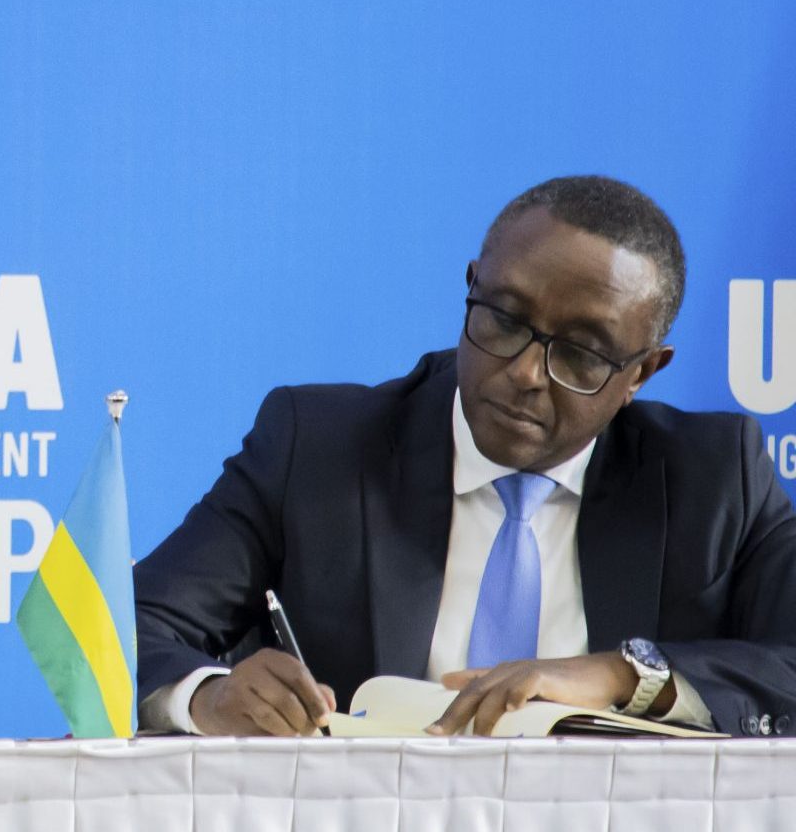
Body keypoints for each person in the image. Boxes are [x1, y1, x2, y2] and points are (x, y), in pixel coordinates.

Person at [135, 175, 796, 738]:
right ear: (472, 285)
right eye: (504, 319)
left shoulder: (713, 478)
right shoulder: (317, 446)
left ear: (642, 374)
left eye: (582, 354)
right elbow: (126, 626)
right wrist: (207, 696)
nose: (526, 374)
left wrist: (624, 673)